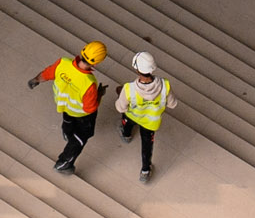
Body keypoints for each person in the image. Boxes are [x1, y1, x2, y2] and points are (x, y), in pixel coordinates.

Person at [32, 40, 108, 172]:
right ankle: (64, 163)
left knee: (68, 120)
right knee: (81, 138)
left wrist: (35, 80)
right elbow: (89, 108)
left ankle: (67, 133)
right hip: (81, 115)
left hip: (63, 105)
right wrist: (99, 94)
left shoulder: (63, 63)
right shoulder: (89, 82)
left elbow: (46, 74)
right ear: (96, 63)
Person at [118, 52, 171, 181]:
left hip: (132, 116)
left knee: (126, 124)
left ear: (136, 69)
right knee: (147, 147)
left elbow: (121, 107)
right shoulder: (165, 86)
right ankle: (145, 171)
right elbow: (173, 104)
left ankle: (126, 135)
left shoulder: (129, 89)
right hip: (150, 124)